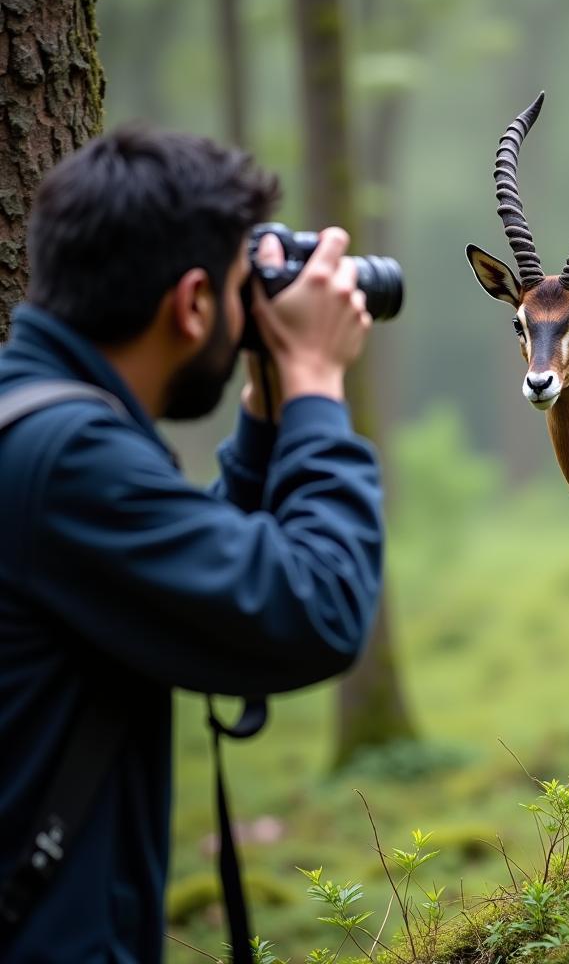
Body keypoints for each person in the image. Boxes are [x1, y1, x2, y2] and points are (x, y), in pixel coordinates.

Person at [0, 126, 383, 962]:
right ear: (194, 304)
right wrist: (317, 385)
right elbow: (317, 606)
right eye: (248, 289)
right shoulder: (69, 459)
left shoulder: (32, 426)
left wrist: (264, 416)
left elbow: (180, 569)